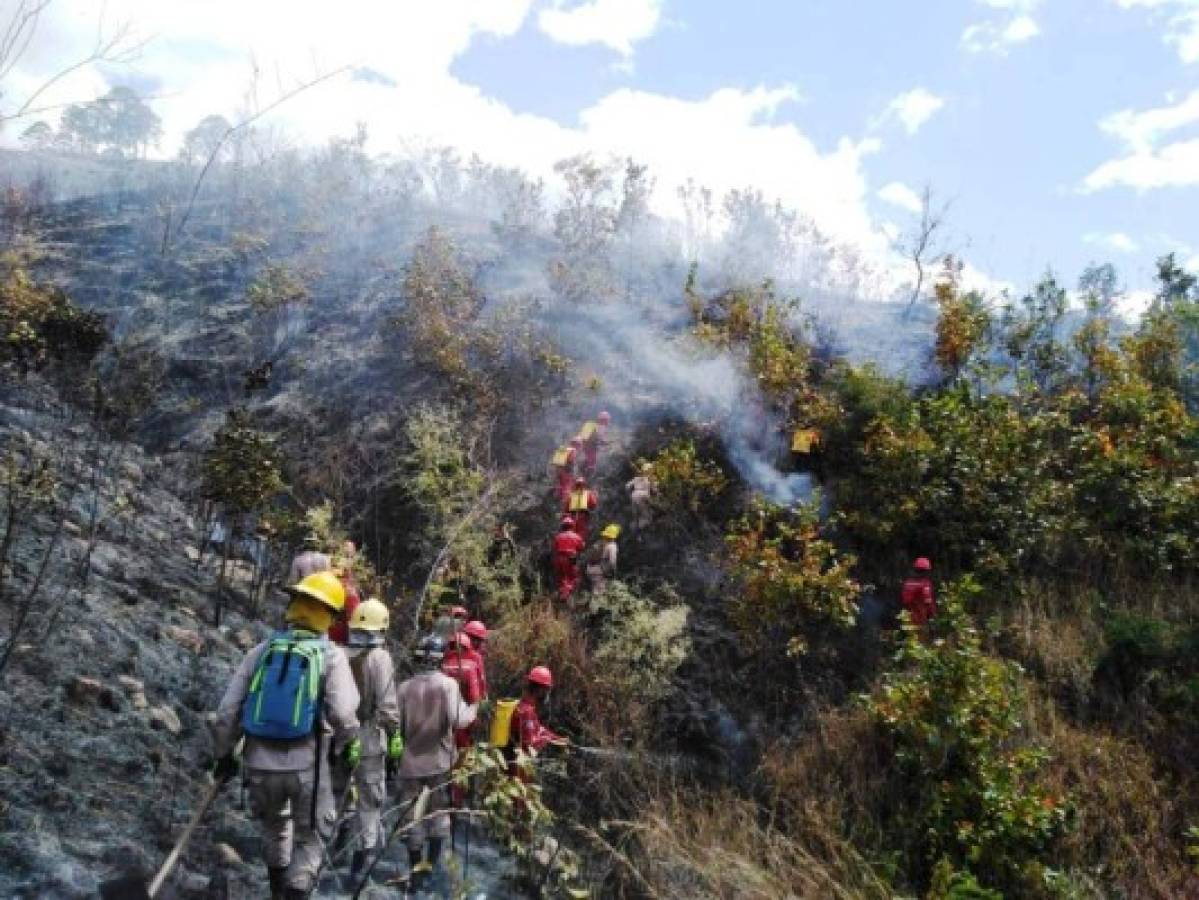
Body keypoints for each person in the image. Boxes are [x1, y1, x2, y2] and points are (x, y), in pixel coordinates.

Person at [211, 571, 361, 900]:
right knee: (311, 839)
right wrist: (347, 746)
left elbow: (226, 713)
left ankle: (277, 892)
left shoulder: (263, 651)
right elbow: (345, 715)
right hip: (308, 765)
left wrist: (224, 757)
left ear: (294, 605)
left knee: (275, 828)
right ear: (331, 615)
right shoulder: (332, 657)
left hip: (259, 765)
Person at [395, 634, 478, 891]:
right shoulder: (447, 685)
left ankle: (415, 872)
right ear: (440, 658)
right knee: (438, 815)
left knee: (412, 818)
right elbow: (459, 721)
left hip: (409, 764)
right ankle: (430, 869)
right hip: (440, 763)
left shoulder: (404, 688)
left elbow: (394, 727)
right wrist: (474, 706)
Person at [341, 598, 404, 883]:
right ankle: (357, 870)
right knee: (369, 801)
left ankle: (328, 855)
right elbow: (388, 708)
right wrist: (394, 739)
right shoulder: (380, 658)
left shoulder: (336, 652)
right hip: (367, 737)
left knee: (335, 795)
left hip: (336, 736)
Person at [442, 631, 484, 807]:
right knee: (462, 762)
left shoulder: (442, 665)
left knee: (445, 759)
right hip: (463, 723)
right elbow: (475, 698)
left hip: (443, 722)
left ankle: (444, 795)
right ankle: (458, 800)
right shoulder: (470, 666)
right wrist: (476, 720)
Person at [511, 666, 566, 772]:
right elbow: (529, 744)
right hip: (519, 767)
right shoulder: (526, 712)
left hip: (519, 763)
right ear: (540, 690)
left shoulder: (525, 706)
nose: (547, 694)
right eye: (546, 690)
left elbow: (539, 729)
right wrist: (546, 740)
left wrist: (558, 739)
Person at [552, 516, 585, 602]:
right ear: (572, 526)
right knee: (572, 577)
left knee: (561, 577)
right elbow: (581, 548)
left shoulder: (558, 537)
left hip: (559, 559)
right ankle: (566, 595)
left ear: (562, 526)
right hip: (570, 559)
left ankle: (561, 592)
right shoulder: (577, 536)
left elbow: (554, 548)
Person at [900, 557, 936, 627]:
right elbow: (928, 601)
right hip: (920, 619)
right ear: (926, 571)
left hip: (906, 617)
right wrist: (933, 616)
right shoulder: (925, 584)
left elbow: (903, 600)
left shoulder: (907, 583)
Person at [585, 524, 620, 595]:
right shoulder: (612, 546)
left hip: (590, 568)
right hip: (600, 571)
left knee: (595, 590)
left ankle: (591, 603)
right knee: (599, 594)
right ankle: (595, 605)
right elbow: (612, 562)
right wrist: (614, 572)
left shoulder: (599, 542)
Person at [563, 476, 599, 542]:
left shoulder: (571, 494)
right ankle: (579, 543)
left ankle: (574, 543)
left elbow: (566, 507)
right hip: (581, 515)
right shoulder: (588, 493)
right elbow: (593, 504)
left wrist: (565, 515)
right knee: (580, 531)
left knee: (573, 530)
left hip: (574, 515)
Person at [463, 620, 490, 699]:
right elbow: (481, 679)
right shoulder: (476, 656)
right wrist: (485, 697)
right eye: (479, 640)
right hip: (470, 697)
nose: (480, 643)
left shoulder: (453, 650)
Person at [626, 464, 654, 532]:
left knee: (635, 514)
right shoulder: (649, 479)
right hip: (643, 496)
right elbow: (654, 490)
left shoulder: (636, 478)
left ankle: (635, 531)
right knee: (645, 514)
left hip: (634, 495)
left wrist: (629, 495)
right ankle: (643, 530)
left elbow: (627, 486)